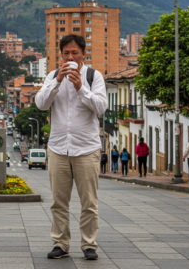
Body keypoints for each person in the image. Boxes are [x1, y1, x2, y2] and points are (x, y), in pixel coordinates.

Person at [35, 34, 107, 261]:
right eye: (66, 53)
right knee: (59, 201)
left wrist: (80, 87)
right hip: (58, 148)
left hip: (86, 149)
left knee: (89, 202)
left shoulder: (94, 76)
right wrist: (57, 82)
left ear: (83, 53)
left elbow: (101, 107)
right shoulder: (52, 76)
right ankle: (60, 243)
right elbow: (41, 104)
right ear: (61, 55)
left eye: (74, 52)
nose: (70, 57)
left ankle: (89, 245)